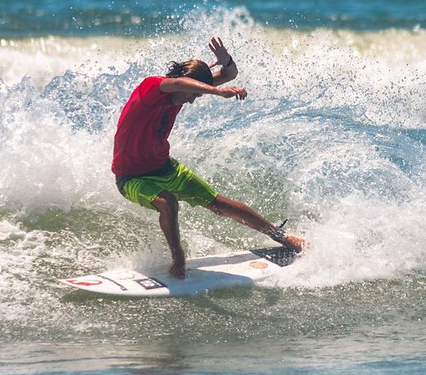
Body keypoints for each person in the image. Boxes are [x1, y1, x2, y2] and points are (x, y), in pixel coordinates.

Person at [112, 36, 305, 279]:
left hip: (166, 169)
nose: (192, 99)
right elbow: (179, 82)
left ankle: (280, 236)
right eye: (193, 93)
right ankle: (178, 258)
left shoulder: (182, 90)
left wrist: (227, 61)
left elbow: (229, 74)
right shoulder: (153, 86)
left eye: (197, 94)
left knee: (219, 204)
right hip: (132, 178)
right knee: (166, 202)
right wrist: (216, 91)